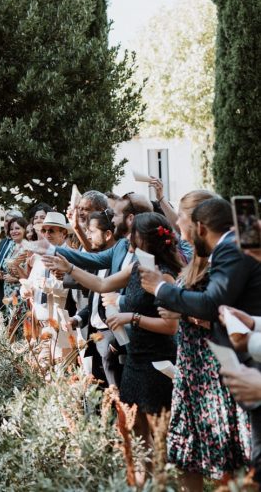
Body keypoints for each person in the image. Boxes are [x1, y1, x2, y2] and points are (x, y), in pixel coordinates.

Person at [45, 212, 182, 483]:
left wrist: (132, 318)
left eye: (133, 233)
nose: (127, 237)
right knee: (135, 432)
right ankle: (141, 485)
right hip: (135, 359)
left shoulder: (164, 276)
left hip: (157, 361)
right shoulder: (136, 266)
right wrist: (69, 266)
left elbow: (171, 328)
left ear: (145, 240)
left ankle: (162, 485)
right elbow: (102, 283)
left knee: (157, 438)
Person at [140, 197, 261, 483]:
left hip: (238, 358)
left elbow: (211, 303)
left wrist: (160, 288)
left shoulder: (229, 248)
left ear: (200, 227)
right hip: (237, 349)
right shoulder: (237, 246)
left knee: (250, 458)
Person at [65, 210, 122, 387]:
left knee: (116, 396)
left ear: (107, 234)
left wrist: (116, 341)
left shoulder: (119, 264)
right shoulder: (99, 260)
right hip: (94, 335)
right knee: (98, 393)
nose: (88, 236)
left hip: (111, 338)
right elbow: (95, 302)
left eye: (92, 231)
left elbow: (122, 303)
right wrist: (78, 318)